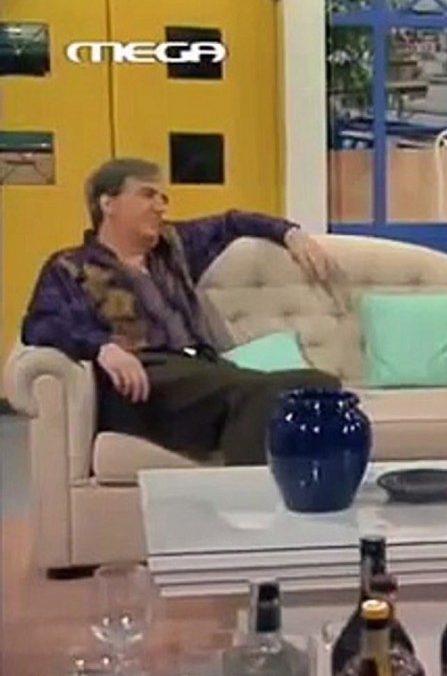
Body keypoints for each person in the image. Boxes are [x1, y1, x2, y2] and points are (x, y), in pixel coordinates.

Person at [21, 157, 341, 465]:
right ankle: (248, 493)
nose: (160, 206)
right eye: (147, 195)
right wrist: (101, 347)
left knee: (319, 385)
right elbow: (39, 325)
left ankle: (255, 481)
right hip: (141, 381)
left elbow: (232, 222)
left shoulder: (173, 245)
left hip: (200, 371)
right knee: (254, 390)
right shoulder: (70, 266)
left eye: (163, 198)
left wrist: (291, 234)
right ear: (108, 203)